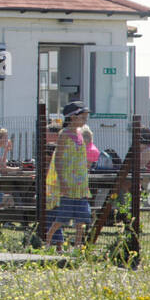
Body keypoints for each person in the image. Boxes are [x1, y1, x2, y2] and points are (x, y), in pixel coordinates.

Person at [45, 102, 91, 249]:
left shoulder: (80, 134)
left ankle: (77, 246)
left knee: (81, 217)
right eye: (82, 117)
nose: (85, 120)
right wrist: (62, 181)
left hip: (80, 183)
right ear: (72, 117)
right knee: (63, 216)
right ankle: (47, 240)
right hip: (68, 182)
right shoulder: (64, 135)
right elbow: (58, 159)